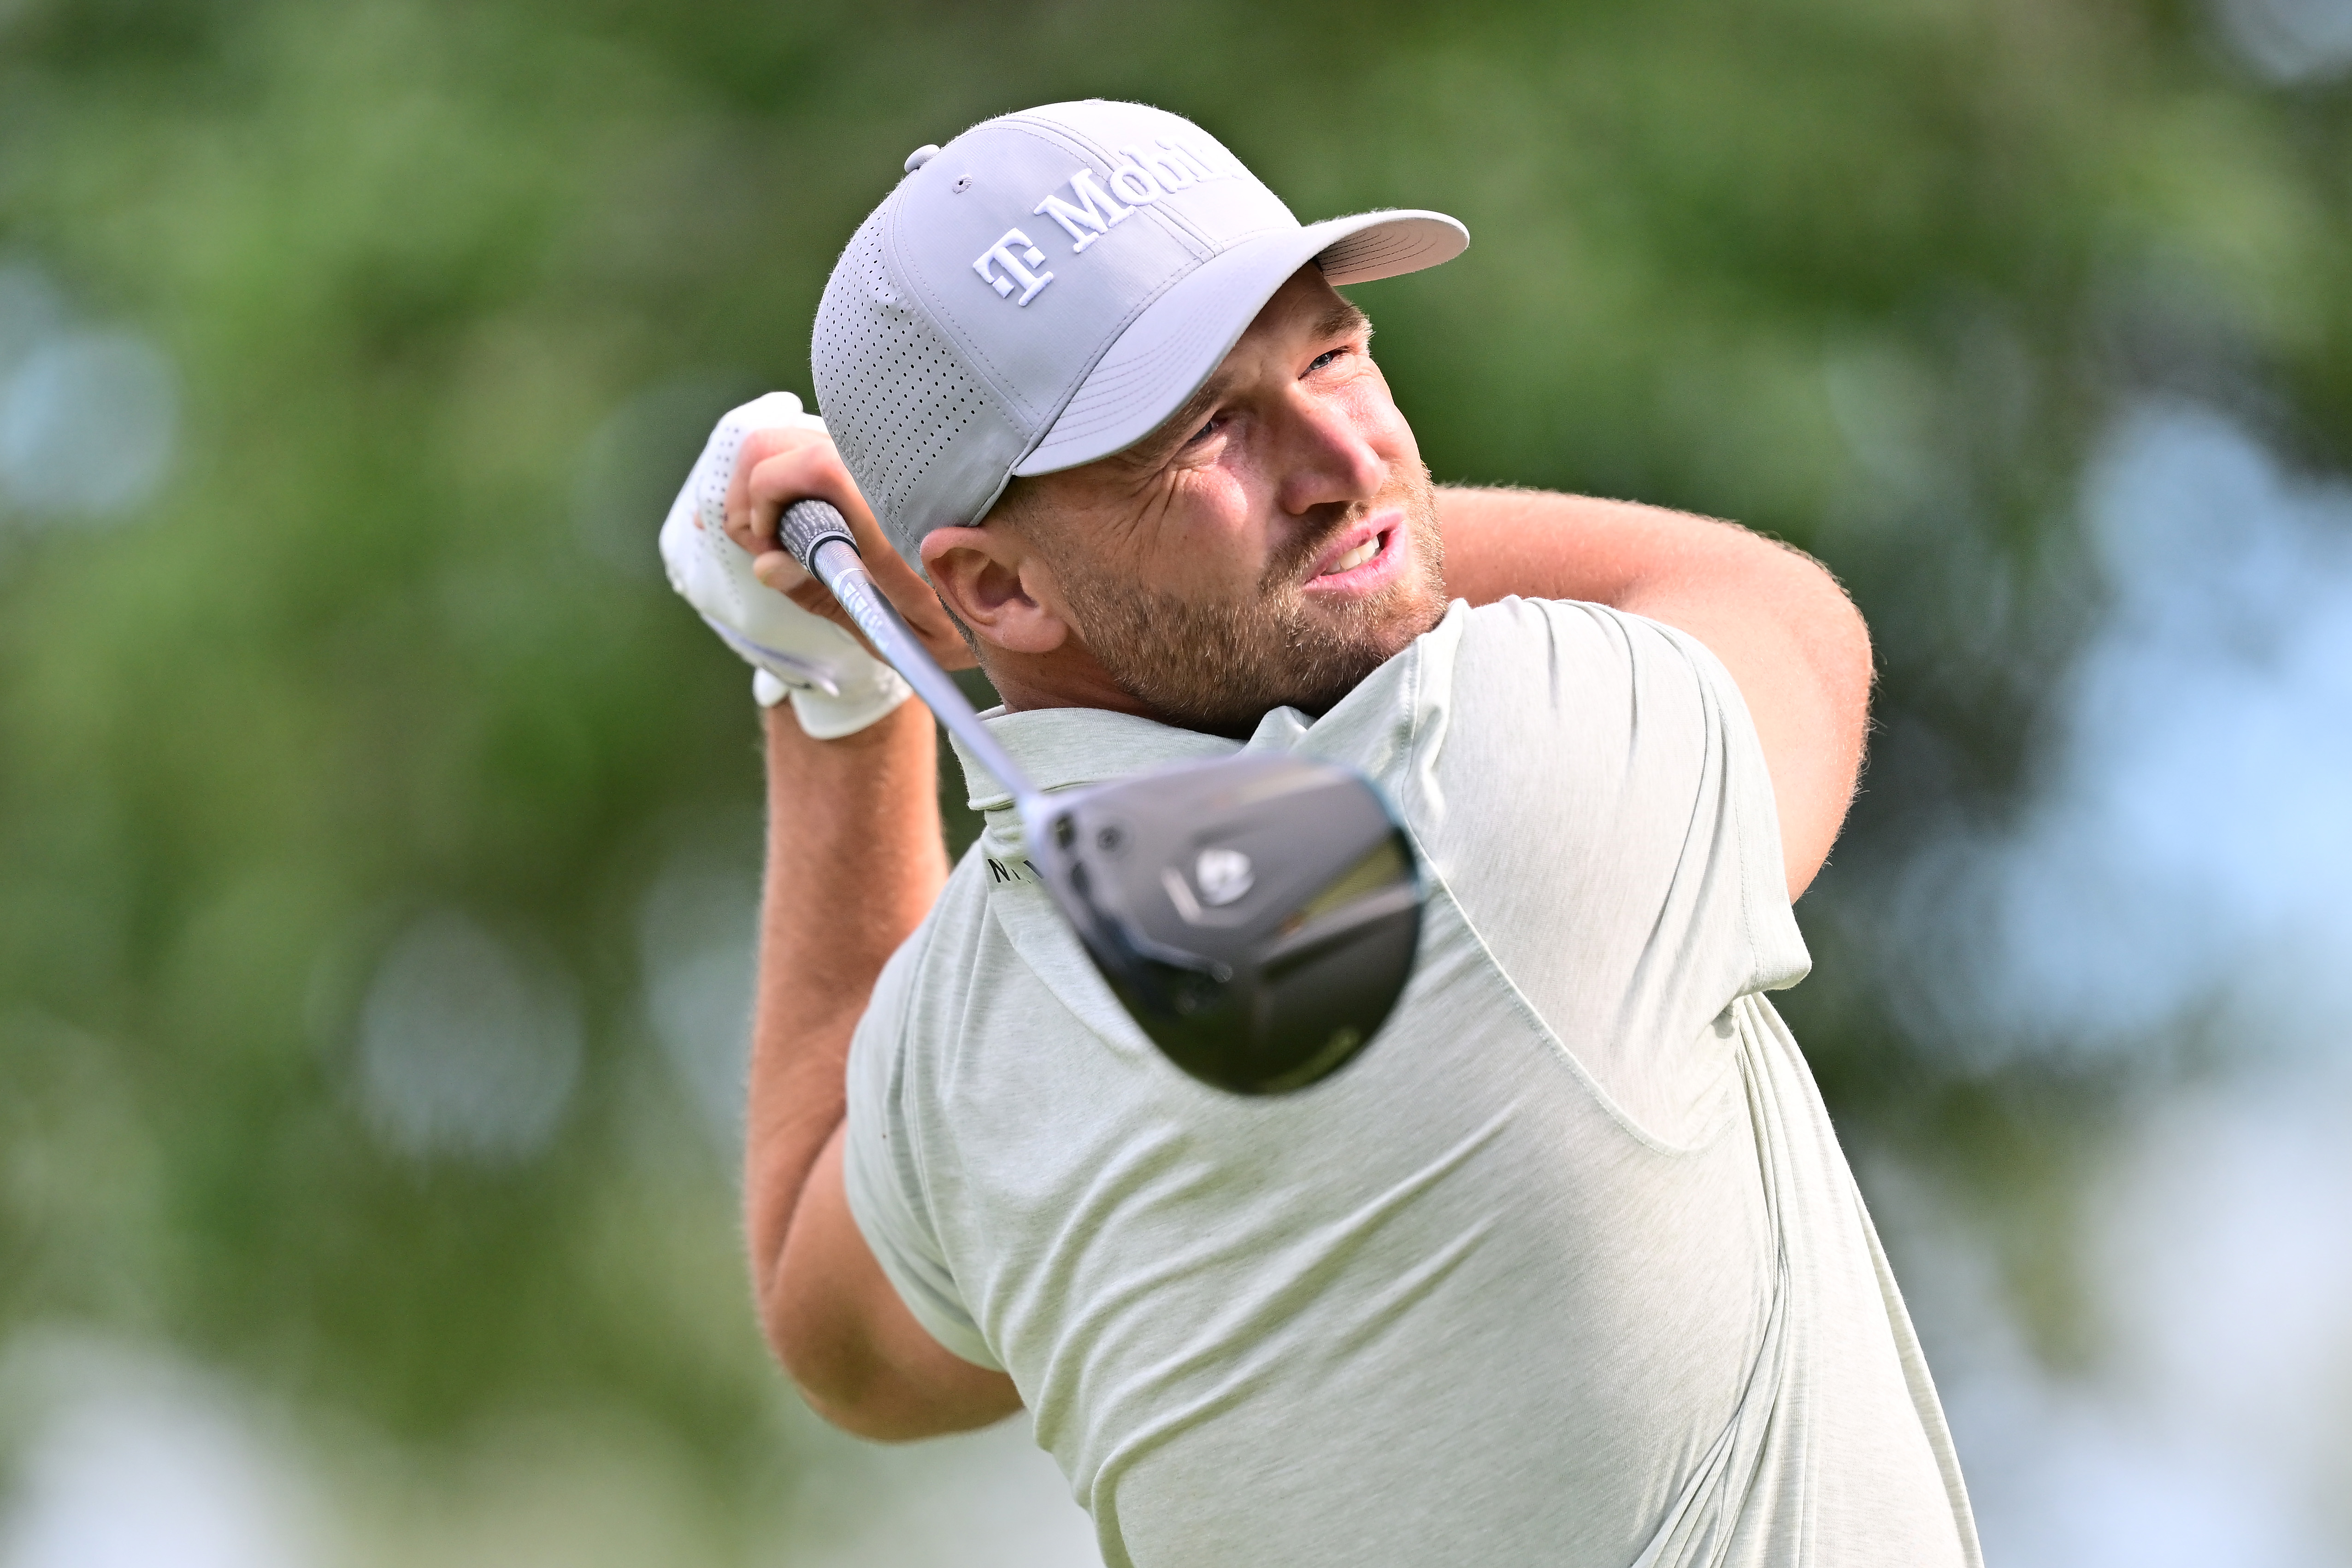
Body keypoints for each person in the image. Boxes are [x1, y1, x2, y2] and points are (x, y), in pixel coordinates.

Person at [660, 100, 1982, 1567]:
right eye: (1211, 430)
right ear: (1003, 589)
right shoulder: (1491, 779)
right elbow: (1780, 616)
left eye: (1334, 353)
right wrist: (936, 621)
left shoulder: (958, 1066)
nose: (1345, 454)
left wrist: (838, 683)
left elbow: (824, 1310)